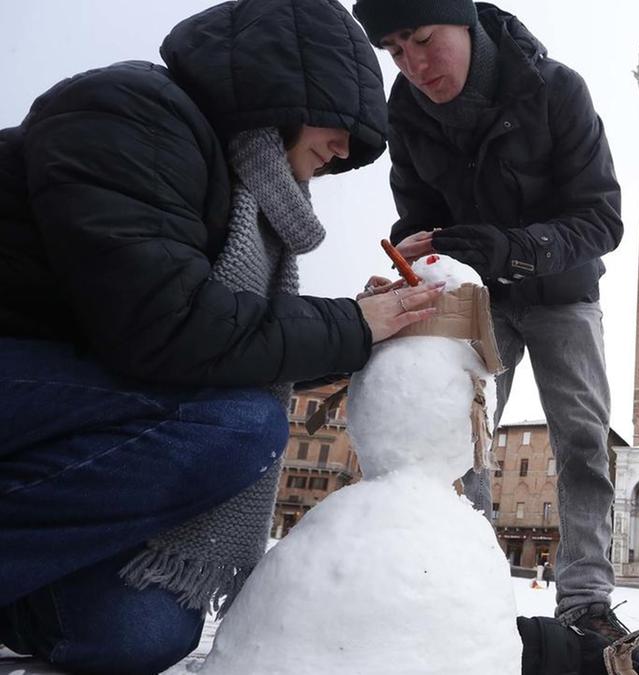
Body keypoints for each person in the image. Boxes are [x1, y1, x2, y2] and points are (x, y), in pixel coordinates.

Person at [0, 0, 447, 671]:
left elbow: (221, 336)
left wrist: (356, 325)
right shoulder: (127, 109)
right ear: (287, 86)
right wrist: (351, 324)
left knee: (148, 629)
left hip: (61, 398)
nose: (346, 148)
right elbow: (167, 326)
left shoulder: (234, 186)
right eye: (341, 118)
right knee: (243, 425)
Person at [350, 0, 624, 639]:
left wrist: (511, 248)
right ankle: (466, 574)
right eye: (395, 50)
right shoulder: (406, 111)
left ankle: (586, 598)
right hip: (480, 300)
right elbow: (414, 212)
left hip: (564, 295)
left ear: (465, 23)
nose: (414, 65)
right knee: (460, 434)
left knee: (583, 441)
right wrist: (417, 248)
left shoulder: (557, 89)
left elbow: (602, 220)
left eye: (423, 39)